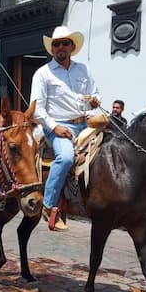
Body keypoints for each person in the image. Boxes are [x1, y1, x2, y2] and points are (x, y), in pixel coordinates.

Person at [31, 26, 101, 231]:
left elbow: (94, 94)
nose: (60, 47)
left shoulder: (84, 70)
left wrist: (95, 103)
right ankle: (48, 203)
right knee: (67, 157)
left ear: (72, 46)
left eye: (64, 43)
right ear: (52, 49)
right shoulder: (43, 74)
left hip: (86, 123)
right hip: (59, 126)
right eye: (56, 44)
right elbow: (37, 110)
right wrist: (55, 128)